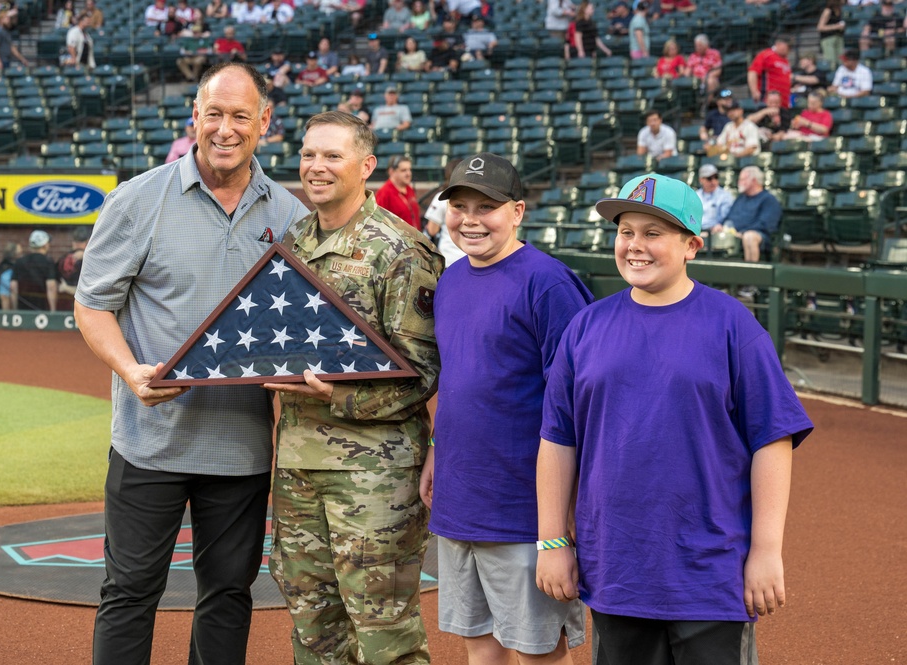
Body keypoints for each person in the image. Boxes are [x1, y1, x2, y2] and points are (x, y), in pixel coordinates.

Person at [74, 62, 308, 665]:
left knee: (228, 595)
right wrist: (130, 371)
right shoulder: (137, 199)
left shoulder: (289, 215)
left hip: (240, 447)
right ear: (194, 118)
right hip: (148, 441)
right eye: (214, 114)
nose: (225, 129)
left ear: (264, 123)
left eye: (240, 116)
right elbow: (92, 305)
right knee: (129, 592)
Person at [536, 171, 813, 665]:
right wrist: (552, 540)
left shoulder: (732, 325)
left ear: (692, 245)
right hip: (617, 565)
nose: (635, 246)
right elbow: (558, 440)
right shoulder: (587, 327)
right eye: (625, 231)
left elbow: (772, 440)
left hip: (709, 571)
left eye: (653, 233)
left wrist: (767, 551)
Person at [264, 110, 441, 665]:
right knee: (313, 626)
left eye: (332, 155)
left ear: (366, 166)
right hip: (298, 468)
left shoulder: (400, 251)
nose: (316, 167)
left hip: (374, 476)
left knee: (384, 631)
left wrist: (336, 398)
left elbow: (424, 374)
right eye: (309, 154)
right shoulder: (293, 239)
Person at [420, 153, 591, 664]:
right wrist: (435, 448)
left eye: (486, 207)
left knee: (536, 649)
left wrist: (557, 525)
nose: (469, 220)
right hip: (461, 498)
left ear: (517, 212)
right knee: (479, 645)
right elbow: (461, 382)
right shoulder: (450, 279)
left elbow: (576, 405)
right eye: (460, 206)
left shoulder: (549, 282)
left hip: (521, 506)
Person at [716, 166, 782, 263]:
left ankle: (751, 274)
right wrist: (720, 225)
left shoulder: (768, 199)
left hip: (758, 235)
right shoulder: (740, 198)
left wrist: (742, 232)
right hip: (733, 233)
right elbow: (729, 217)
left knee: (749, 237)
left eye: (742, 179)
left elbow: (766, 225)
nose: (739, 182)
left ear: (754, 181)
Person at [423, 159, 466, 267]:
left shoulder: (441, 197)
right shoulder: (475, 199)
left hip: (449, 259)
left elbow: (432, 230)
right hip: (470, 257)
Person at [11, 230, 58, 311]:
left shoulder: (19, 261)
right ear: (45, 245)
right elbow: (51, 287)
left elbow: (13, 287)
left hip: (22, 309)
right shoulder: (48, 262)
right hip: (42, 309)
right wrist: (53, 311)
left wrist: (15, 309)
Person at [375, 155, 422, 231]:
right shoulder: (384, 193)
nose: (408, 173)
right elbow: (378, 222)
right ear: (392, 172)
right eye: (403, 170)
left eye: (409, 169)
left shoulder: (409, 189)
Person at [748, 37, 792, 107]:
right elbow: (753, 72)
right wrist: (754, 91)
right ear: (778, 44)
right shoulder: (766, 55)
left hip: (783, 102)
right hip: (768, 99)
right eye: (787, 47)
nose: (788, 50)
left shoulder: (785, 60)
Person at [56, 226, 91, 311]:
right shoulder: (91, 260)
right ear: (87, 241)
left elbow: (56, 284)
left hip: (64, 304)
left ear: (73, 242)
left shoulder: (62, 259)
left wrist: (65, 288)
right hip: (84, 307)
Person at [695, 163, 734, 235]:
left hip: (716, 231)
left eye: (716, 177)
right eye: (709, 178)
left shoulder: (725, 195)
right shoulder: (695, 195)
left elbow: (726, 218)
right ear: (701, 180)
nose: (713, 182)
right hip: (697, 231)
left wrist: (720, 226)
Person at [0, 242, 22, 310]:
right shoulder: (8, 272)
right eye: (20, 253)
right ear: (14, 255)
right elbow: (5, 299)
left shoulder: (1, 267)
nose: (22, 256)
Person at [817, 0, 846, 65]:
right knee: (831, 62)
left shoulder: (841, 10)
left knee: (841, 61)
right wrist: (836, 26)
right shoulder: (828, 11)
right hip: (828, 39)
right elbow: (820, 27)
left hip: (839, 37)